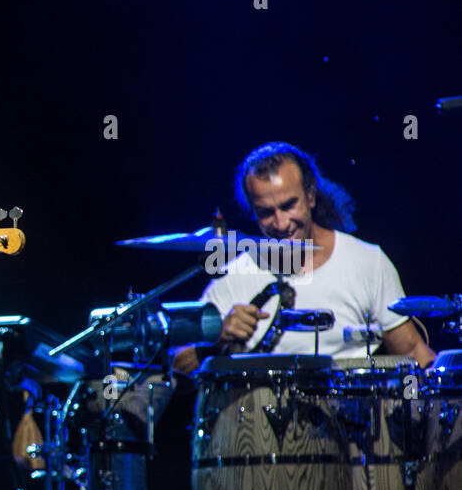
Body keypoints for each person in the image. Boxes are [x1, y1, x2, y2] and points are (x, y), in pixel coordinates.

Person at [172, 142, 434, 372]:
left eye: (288, 205)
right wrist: (216, 335)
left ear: (310, 196)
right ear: (252, 211)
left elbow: (413, 353)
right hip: (258, 426)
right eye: (265, 212)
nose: (281, 222)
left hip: (350, 422)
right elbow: (178, 364)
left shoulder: (367, 262)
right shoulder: (235, 276)